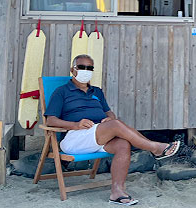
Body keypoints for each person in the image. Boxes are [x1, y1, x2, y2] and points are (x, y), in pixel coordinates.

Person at [45, 54, 180, 206]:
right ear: (72, 70)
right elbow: (51, 120)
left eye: (89, 68)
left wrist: (108, 119)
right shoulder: (61, 91)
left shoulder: (97, 92)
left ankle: (117, 192)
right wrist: (76, 125)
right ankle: (155, 147)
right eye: (81, 67)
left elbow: (109, 112)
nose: (86, 70)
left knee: (123, 143)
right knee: (116, 125)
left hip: (98, 135)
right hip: (75, 138)